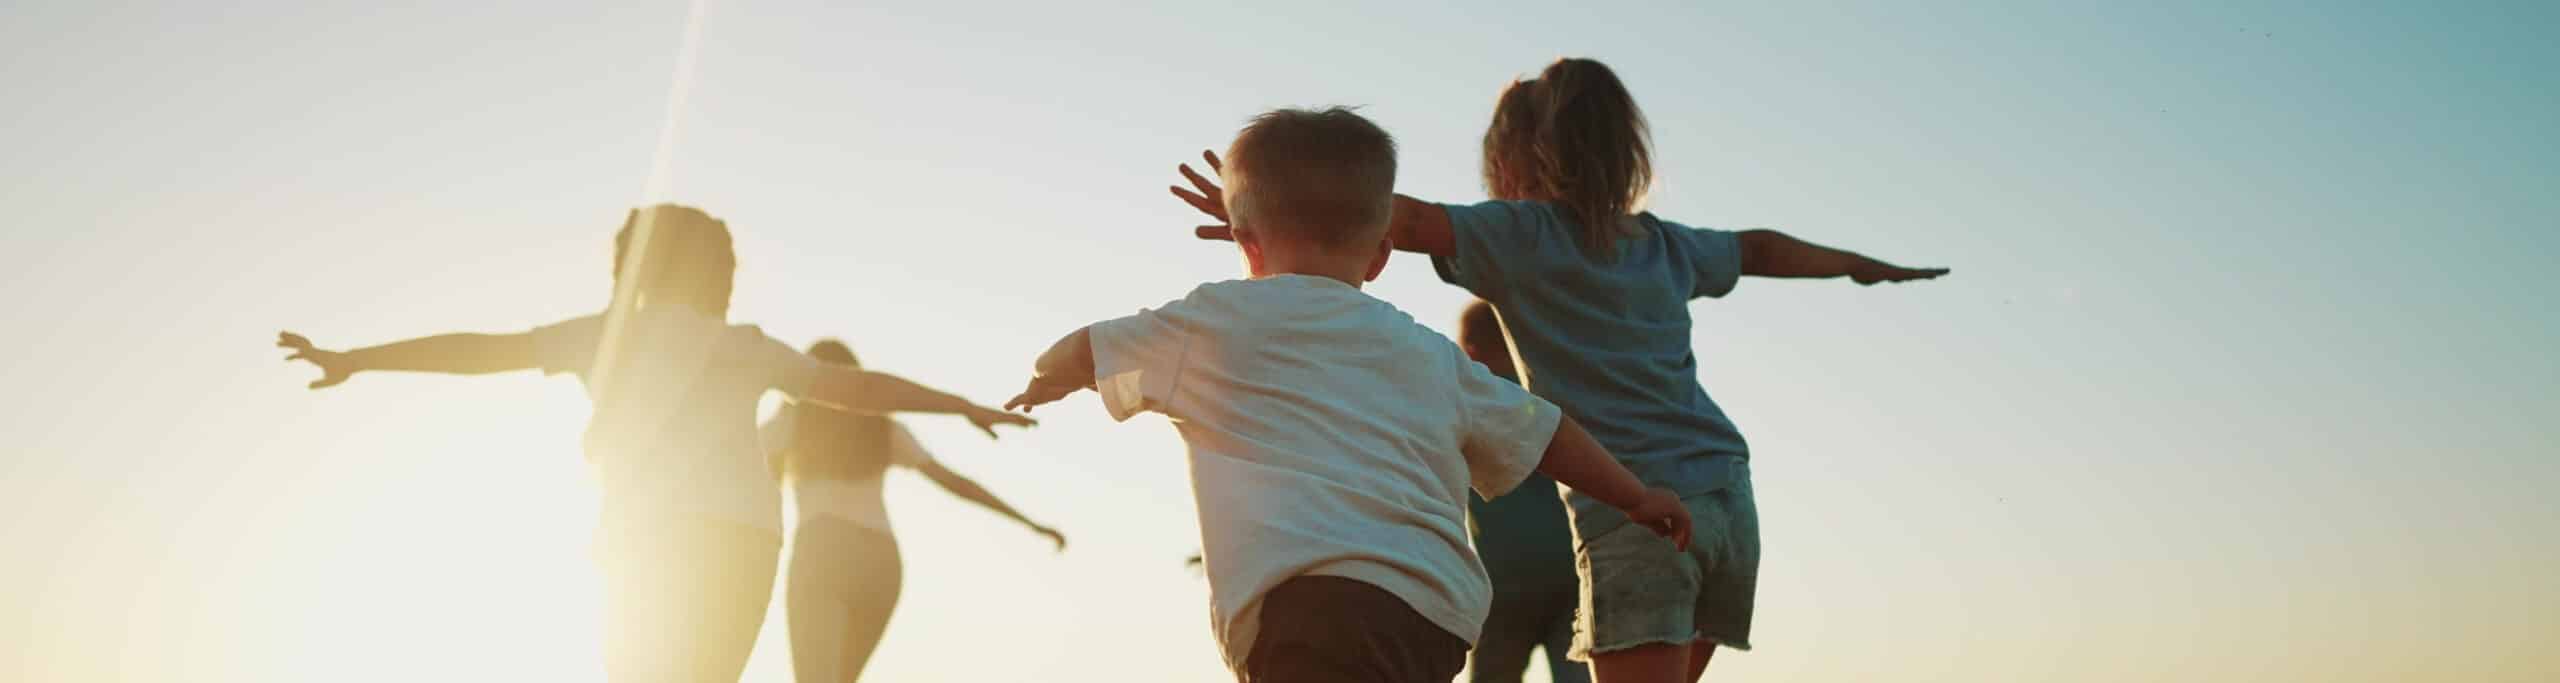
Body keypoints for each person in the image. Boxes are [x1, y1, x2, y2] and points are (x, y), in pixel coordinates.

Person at [1169, 59, 1948, 683]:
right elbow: (1762, 247)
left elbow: (1395, 218)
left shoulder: (1522, 233)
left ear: (1513, 160)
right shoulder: (1665, 243)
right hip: (1726, 503)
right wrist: (1860, 266)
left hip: (1639, 514)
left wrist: (1268, 206)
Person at [1014, 107, 1692, 683]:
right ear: (1378, 258)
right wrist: (1635, 494)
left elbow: (1088, 348)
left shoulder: (1209, 324)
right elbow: (1545, 429)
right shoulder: (1427, 352)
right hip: (1432, 614)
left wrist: (1045, 378)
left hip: (1305, 607)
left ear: (1245, 245)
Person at [274, 204, 1032, 682]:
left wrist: (357, 357)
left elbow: (477, 351)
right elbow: (857, 391)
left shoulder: (604, 334)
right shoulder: (743, 344)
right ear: (717, 276)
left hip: (646, 541)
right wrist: (959, 403)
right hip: (743, 541)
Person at [765, 338, 1066, 683]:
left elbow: (746, 473)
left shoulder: (791, 423)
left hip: (823, 549)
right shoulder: (882, 428)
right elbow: (956, 483)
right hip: (881, 561)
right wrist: (1030, 523)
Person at [1453, 300, 1586, 683]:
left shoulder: (1469, 404)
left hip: (1505, 582)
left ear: (1472, 351)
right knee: (1579, 672)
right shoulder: (1551, 397)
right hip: (1571, 574)